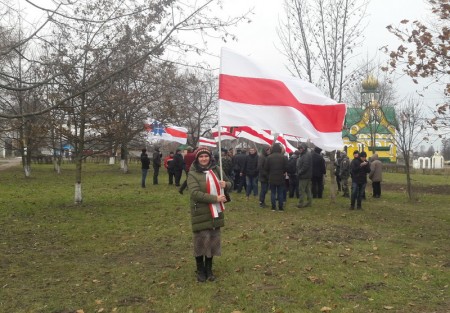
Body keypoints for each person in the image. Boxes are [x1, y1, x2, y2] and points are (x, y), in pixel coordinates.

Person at [187, 147, 232, 282]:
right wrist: (215, 199)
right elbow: (194, 193)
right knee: (200, 240)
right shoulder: (193, 173)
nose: (204, 159)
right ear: (197, 158)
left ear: (210, 157)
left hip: (216, 211)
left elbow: (230, 183)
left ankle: (209, 269)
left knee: (213, 239)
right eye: (201, 157)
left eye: (206, 156)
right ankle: (200, 270)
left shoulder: (217, 169)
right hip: (200, 210)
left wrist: (226, 184)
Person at [264, 143, 288, 211]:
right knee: (280, 193)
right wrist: (283, 172)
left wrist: (269, 174)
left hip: (272, 177)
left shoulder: (269, 157)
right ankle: (280, 207)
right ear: (280, 149)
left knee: (273, 193)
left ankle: (273, 207)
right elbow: (287, 167)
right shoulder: (283, 157)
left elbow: (266, 168)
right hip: (281, 177)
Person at [297, 143, 313, 208]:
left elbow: (305, 166)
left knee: (302, 190)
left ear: (304, 148)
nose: (299, 150)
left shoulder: (306, 155)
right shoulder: (305, 154)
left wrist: (299, 172)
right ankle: (309, 203)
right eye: (299, 148)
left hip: (304, 176)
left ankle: (301, 203)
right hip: (307, 175)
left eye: (300, 148)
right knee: (307, 190)